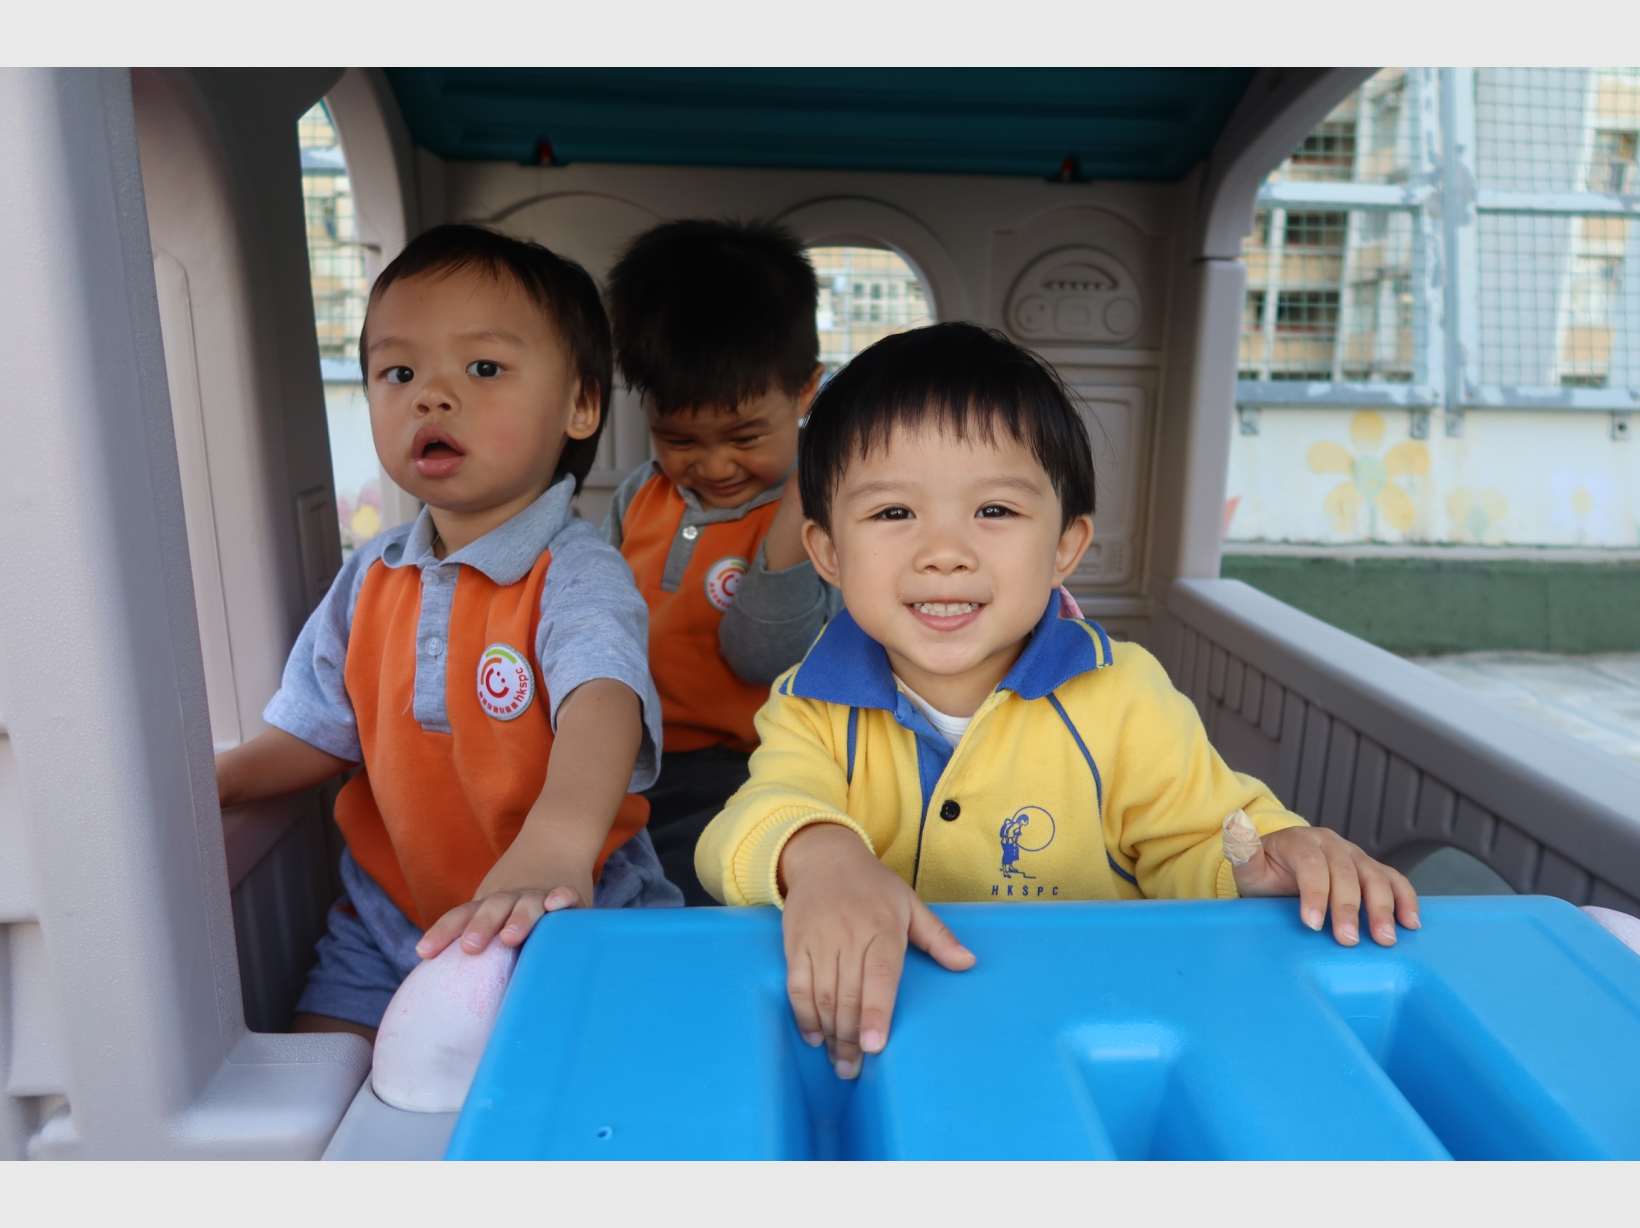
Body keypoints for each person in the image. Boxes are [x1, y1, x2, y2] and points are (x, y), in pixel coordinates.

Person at [695, 322, 1420, 1078]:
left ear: (1065, 546)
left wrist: (1262, 860)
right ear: (828, 553)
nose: (944, 553)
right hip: (889, 1038)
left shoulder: (1122, 694)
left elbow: (1199, 838)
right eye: (893, 513)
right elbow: (742, 827)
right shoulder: (810, 702)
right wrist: (820, 857)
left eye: (995, 511)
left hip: (1098, 1035)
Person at [215, 225, 680, 1042]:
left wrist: (557, 843)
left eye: (483, 369)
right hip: (389, 921)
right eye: (399, 373)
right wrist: (208, 784)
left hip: (568, 908)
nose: (430, 396)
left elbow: (602, 703)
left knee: (592, 1080)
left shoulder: (575, 572)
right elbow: (318, 732)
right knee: (323, 1078)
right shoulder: (372, 573)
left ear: (580, 405)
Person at [602, 219, 842, 904]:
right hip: (629, 761)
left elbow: (765, 658)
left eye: (744, 436)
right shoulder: (639, 496)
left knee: (698, 900)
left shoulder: (822, 516)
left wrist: (796, 513)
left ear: (805, 391)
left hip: (753, 769)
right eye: (679, 439)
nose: (712, 465)